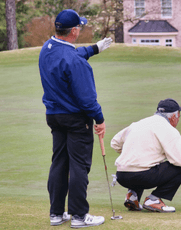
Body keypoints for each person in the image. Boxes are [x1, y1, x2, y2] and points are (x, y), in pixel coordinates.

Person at [39, 9, 112, 228]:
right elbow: (88, 101)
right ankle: (80, 216)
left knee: (59, 162)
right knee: (79, 166)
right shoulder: (76, 62)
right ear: (73, 31)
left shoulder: (47, 48)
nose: (80, 29)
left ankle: (56, 214)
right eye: (79, 26)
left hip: (54, 116)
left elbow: (69, 57)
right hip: (76, 119)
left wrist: (94, 49)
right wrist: (99, 120)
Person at [111, 98, 181, 213]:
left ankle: (132, 196)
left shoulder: (139, 123)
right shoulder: (169, 129)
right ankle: (154, 199)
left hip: (122, 176)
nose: (177, 120)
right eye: (178, 117)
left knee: (143, 163)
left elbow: (115, 143)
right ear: (173, 117)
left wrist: (131, 152)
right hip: (142, 177)